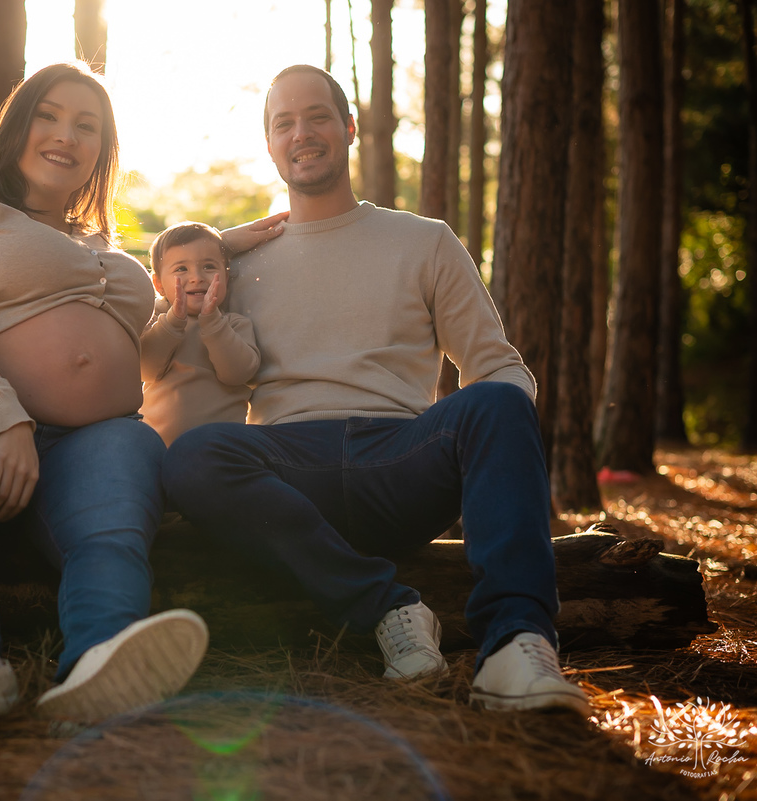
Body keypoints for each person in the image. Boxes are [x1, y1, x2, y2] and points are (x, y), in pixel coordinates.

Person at [162, 65, 591, 715]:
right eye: (284, 123)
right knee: (193, 455)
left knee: (500, 399)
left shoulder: (425, 241)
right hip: (288, 463)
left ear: (349, 127)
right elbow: (150, 320)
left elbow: (496, 366)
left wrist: (503, 449)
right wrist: (219, 244)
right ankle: (389, 607)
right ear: (270, 143)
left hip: (400, 458)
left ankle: (516, 643)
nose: (301, 134)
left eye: (317, 117)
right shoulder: (235, 263)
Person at [0, 62, 257, 729]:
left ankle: (98, 658)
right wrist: (6, 419)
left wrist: (232, 247)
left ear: (102, 151)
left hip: (100, 435)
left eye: (88, 126)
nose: (66, 136)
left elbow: (179, 289)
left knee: (118, 496)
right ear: (17, 125)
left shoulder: (110, 249)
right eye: (49, 115)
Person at [139, 221, 261, 445]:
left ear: (225, 276)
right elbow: (145, 369)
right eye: (181, 269)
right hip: (154, 444)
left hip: (218, 446)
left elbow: (238, 374)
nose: (197, 277)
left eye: (208, 266)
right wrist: (173, 322)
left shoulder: (234, 324)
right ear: (158, 285)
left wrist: (213, 323)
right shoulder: (155, 318)